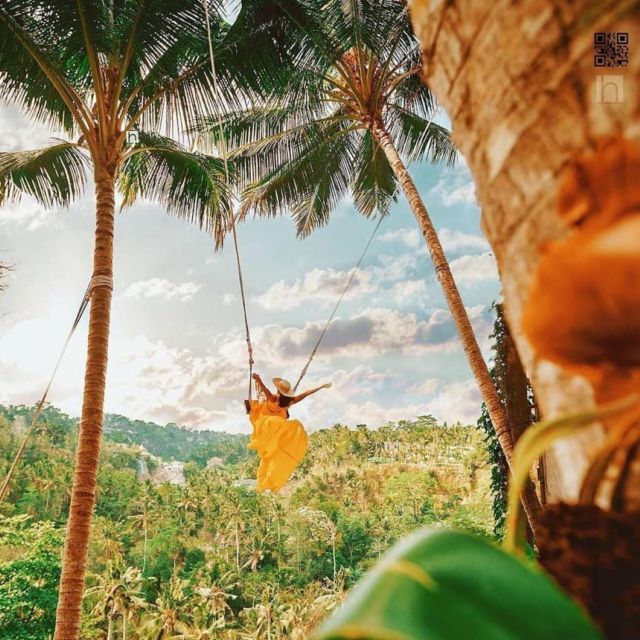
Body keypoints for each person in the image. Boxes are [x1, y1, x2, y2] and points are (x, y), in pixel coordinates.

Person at [247, 373, 331, 492]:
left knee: (270, 451)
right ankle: (269, 480)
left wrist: (258, 379)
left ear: (278, 390)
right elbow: (305, 393)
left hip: (267, 425)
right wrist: (320, 387)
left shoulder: (273, 399)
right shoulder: (290, 402)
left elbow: (265, 390)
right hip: (277, 428)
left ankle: (268, 481)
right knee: (273, 452)